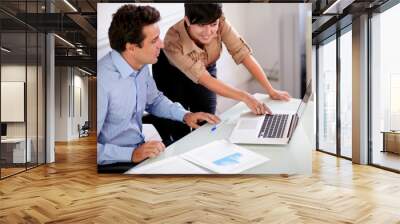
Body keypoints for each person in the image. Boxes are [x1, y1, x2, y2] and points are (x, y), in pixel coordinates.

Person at [147, 3, 291, 144]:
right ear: (187, 21)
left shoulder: (219, 20)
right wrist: (245, 97)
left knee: (207, 122)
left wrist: (270, 90)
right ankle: (162, 124)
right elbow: (204, 79)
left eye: (212, 25)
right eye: (201, 25)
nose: (208, 31)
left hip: (205, 67)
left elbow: (243, 55)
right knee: (180, 132)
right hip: (172, 75)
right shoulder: (173, 40)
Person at [97, 4, 220, 166]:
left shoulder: (139, 67)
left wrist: (186, 115)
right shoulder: (101, 82)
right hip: (115, 162)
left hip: (138, 149)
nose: (161, 45)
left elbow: (155, 101)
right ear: (132, 48)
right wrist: (132, 154)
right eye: (154, 40)